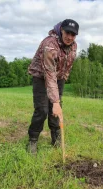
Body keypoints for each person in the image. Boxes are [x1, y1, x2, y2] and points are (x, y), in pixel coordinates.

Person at [27, 19, 79, 154]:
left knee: (55, 111)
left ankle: (55, 137)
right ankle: (33, 140)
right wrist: (55, 101)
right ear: (61, 30)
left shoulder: (74, 46)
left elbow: (69, 63)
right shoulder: (49, 45)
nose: (69, 37)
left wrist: (64, 76)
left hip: (58, 78)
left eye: (73, 35)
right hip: (41, 77)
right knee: (42, 110)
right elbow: (49, 74)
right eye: (67, 33)